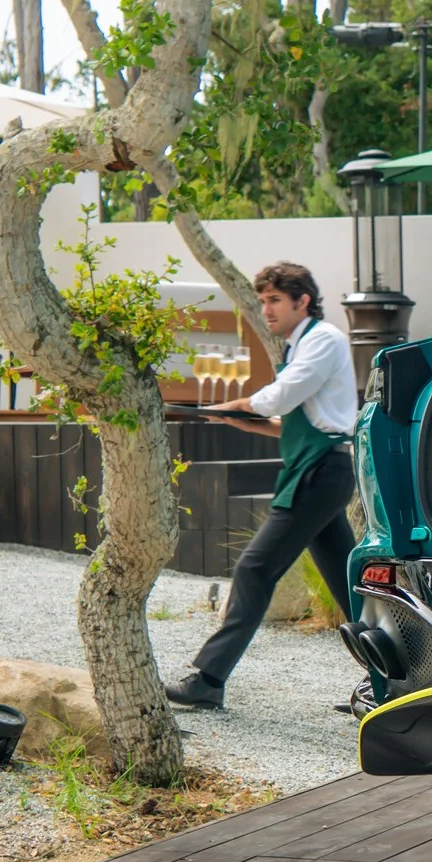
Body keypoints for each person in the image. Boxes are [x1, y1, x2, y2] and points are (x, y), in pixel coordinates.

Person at [164, 262, 357, 711]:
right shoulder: (300, 345)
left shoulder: (323, 339)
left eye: (273, 300)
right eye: (263, 300)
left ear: (302, 300)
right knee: (349, 585)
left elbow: (282, 396)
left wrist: (230, 405)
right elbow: (298, 420)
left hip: (318, 472)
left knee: (254, 569)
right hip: (316, 469)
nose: (265, 309)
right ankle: (398, 682)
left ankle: (209, 679)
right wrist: (246, 423)